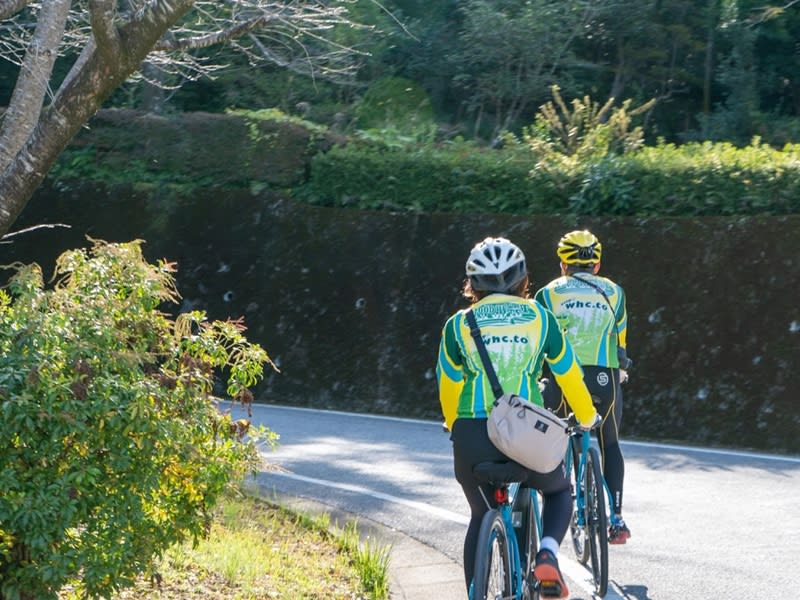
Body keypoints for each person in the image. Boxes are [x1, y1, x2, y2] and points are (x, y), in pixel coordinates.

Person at [436, 236, 599, 599]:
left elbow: (448, 386)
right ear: (523, 280)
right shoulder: (542, 319)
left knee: (480, 514)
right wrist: (586, 416)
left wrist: (452, 424)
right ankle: (547, 555)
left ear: (472, 284)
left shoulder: (457, 326)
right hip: (527, 432)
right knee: (558, 492)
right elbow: (569, 374)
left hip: (472, 435)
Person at [534, 229, 632, 544]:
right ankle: (617, 518)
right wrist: (620, 371)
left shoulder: (547, 294)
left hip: (563, 381)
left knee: (556, 438)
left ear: (562, 264)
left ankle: (561, 497)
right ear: (597, 264)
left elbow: (540, 345)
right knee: (610, 444)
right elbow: (621, 347)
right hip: (604, 379)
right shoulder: (615, 292)